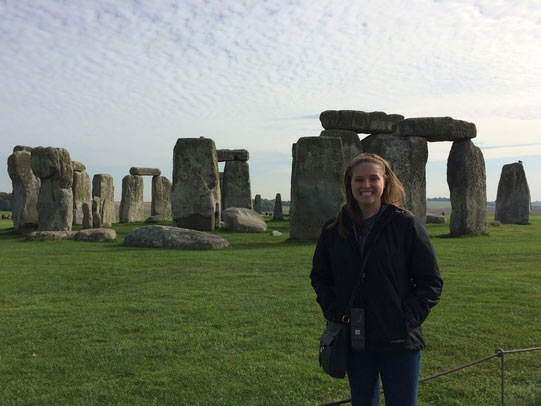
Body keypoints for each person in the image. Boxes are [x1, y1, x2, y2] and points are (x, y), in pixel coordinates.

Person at [310, 153, 443, 406]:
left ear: (386, 182)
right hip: (356, 335)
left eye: (373, 178)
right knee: (362, 401)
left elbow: (430, 282)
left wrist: (405, 319)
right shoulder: (333, 229)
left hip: (400, 338)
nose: (366, 185)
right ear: (349, 185)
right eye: (359, 180)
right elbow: (320, 276)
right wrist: (336, 312)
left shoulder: (406, 225)